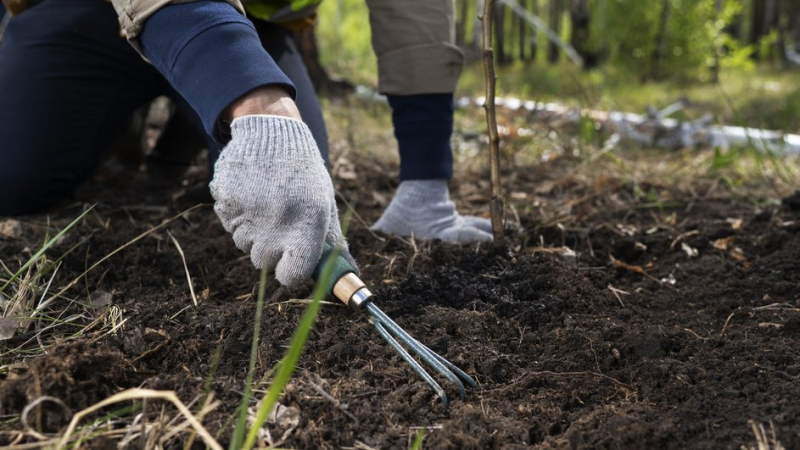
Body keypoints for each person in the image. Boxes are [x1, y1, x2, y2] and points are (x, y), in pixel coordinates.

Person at [0, 0, 492, 288]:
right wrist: (260, 104)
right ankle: (125, 121)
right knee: (14, 178)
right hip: (86, 17)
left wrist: (425, 181)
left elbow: (413, 13)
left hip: (246, 25)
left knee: (296, 199)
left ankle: (189, 117)